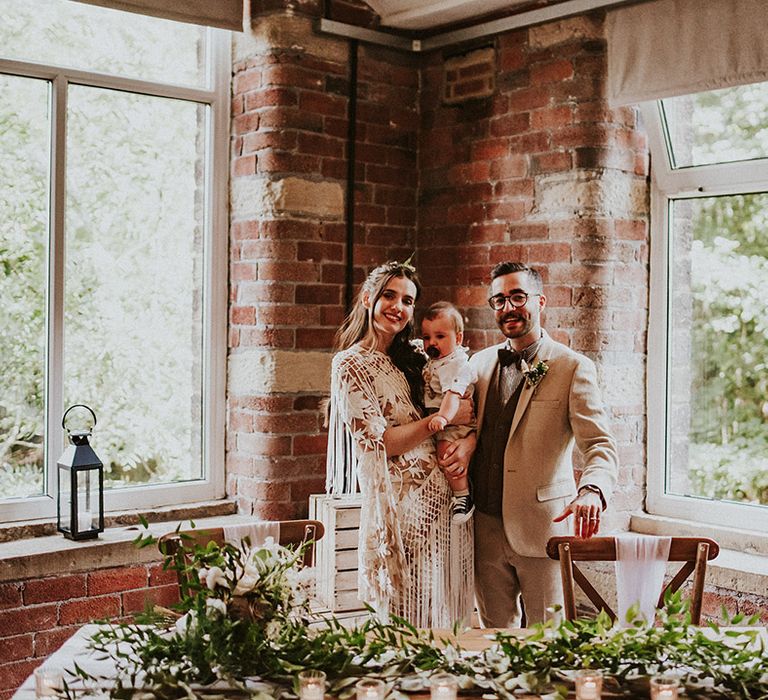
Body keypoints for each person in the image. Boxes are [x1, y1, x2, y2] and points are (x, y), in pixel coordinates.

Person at [459, 261, 618, 627]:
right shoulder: (479, 364)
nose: (508, 308)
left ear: (540, 301)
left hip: (542, 527)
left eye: (517, 296)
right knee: (494, 640)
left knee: (547, 640)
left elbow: (600, 444)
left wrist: (592, 490)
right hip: (484, 527)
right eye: (498, 300)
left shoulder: (571, 367)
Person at [325, 260, 475, 628]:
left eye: (407, 301)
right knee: (409, 619)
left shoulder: (418, 357)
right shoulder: (350, 364)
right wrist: (435, 421)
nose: (398, 306)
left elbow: (468, 405)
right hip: (402, 508)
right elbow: (381, 443)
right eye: (389, 296)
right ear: (367, 299)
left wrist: (468, 442)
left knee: (448, 614)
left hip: (445, 499)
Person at [420, 301, 478, 524]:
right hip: (442, 417)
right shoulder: (437, 360)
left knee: (446, 452)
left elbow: (453, 396)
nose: (432, 343)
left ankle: (462, 496)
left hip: (455, 423)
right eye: (427, 337)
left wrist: (443, 417)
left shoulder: (456, 365)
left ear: (459, 339)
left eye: (440, 337)